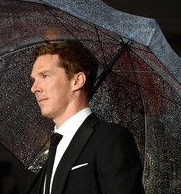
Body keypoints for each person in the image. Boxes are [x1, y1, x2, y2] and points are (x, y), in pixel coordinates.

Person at [27, 40, 145, 194]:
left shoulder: (110, 138)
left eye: (45, 76)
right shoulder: (53, 151)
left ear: (77, 81)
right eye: (34, 79)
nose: (34, 88)